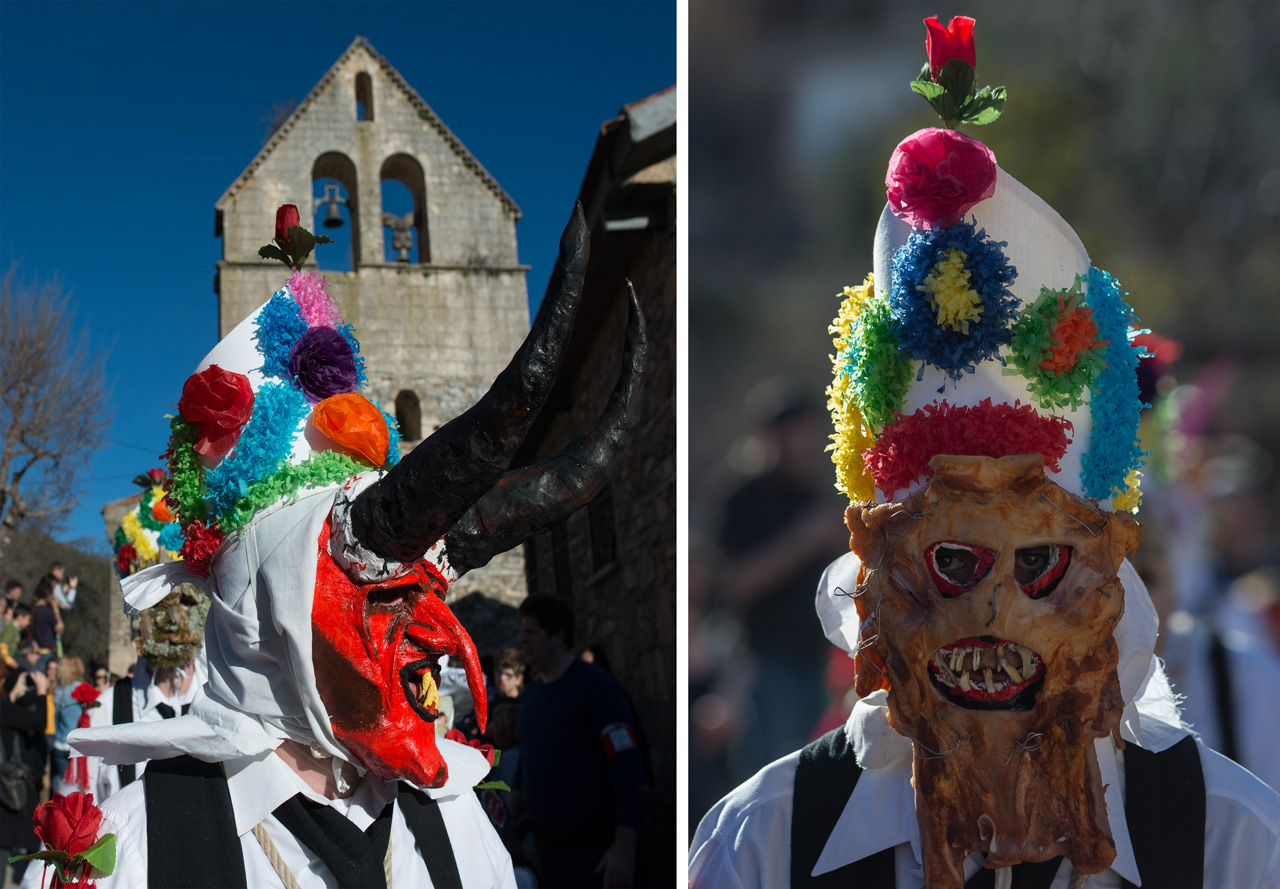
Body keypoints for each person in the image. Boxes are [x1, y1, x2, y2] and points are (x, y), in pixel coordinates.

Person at [690, 16, 1280, 887]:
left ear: (1105, 571)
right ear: (878, 572)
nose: (994, 611)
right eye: (953, 560)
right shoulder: (765, 844)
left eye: (1038, 561)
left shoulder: (1229, 840)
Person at [39, 203, 641, 889]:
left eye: (423, 592)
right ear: (266, 611)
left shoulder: (458, 827)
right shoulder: (130, 856)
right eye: (381, 586)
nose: (439, 643)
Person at [512, 595, 643, 889]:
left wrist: (625, 845)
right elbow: (526, 765)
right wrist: (504, 828)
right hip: (548, 854)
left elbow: (626, 764)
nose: (524, 641)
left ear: (558, 636)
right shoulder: (530, 698)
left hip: (596, 853)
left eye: (532, 633)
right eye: (522, 634)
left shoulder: (597, 688)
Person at [0, 660, 49, 887]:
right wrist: (41, 691)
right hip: (12, 783)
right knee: (11, 839)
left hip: (10, 780)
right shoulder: (5, 708)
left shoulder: (6, 706)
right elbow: (39, 721)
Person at [50, 654, 86, 793]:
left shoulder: (59, 689)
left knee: (62, 785)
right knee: (76, 788)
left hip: (59, 742)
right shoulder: (79, 688)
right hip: (76, 743)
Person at [28, 585, 60, 655]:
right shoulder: (47, 612)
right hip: (46, 651)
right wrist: (56, 609)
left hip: (34, 649)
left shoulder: (33, 609)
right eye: (52, 594)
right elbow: (60, 628)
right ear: (47, 594)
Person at [1, 602, 31, 667]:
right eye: (28, 619)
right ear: (20, 617)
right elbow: (2, 645)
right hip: (6, 661)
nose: (29, 622)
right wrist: (9, 661)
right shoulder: (11, 629)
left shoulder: (17, 631)